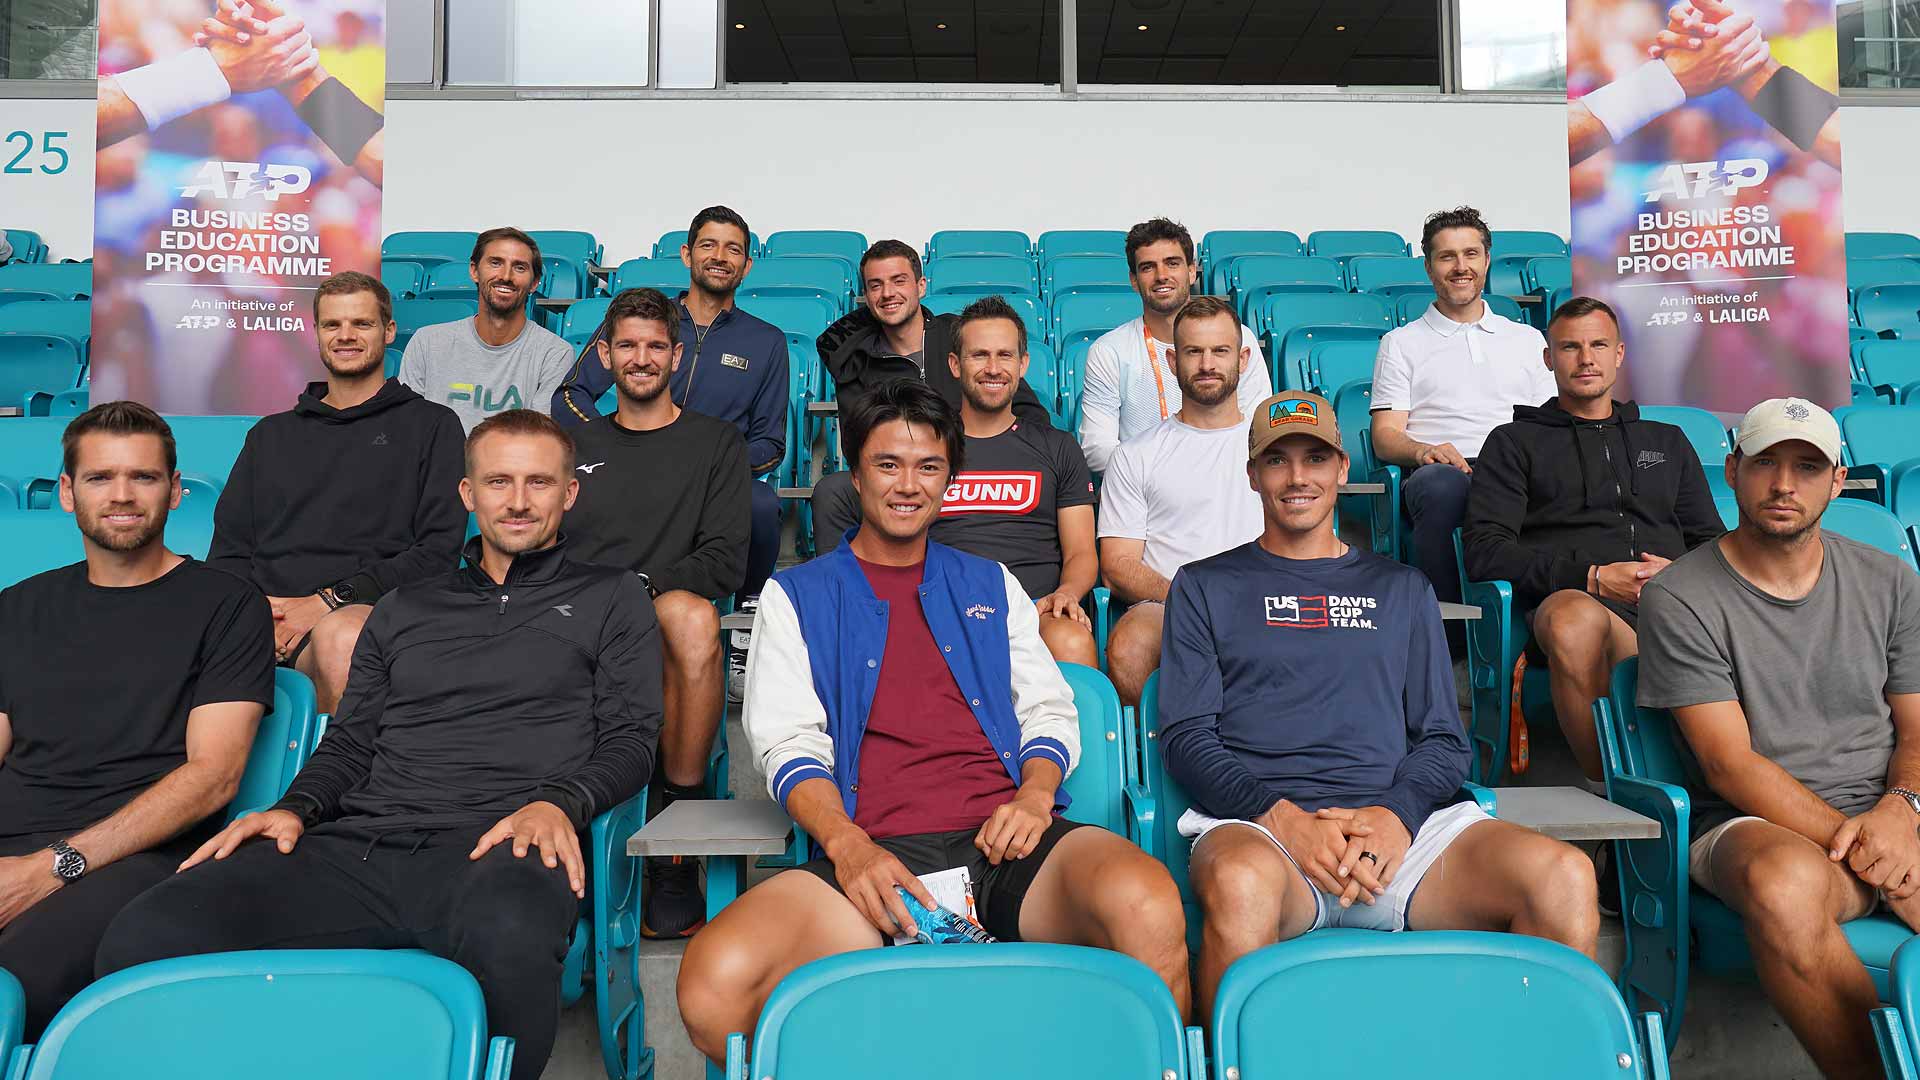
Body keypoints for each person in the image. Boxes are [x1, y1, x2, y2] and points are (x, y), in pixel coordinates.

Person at [98, 409, 660, 1080]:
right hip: (362, 848)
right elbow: (352, 740)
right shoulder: (406, 608)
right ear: (467, 494)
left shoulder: (613, 597)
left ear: (568, 494)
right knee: (148, 931)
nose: (516, 501)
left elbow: (632, 739)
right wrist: (297, 807)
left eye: (538, 483)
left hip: (502, 845)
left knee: (511, 934)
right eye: (498, 481)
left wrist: (560, 803)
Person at [676, 380, 1188, 1063]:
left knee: (1149, 905)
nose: (908, 485)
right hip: (875, 856)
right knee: (713, 985)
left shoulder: (989, 582)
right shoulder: (796, 595)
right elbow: (786, 742)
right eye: (888, 465)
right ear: (855, 476)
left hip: (1006, 846)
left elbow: (1047, 707)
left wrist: (1036, 796)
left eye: (929, 467)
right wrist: (849, 846)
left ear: (950, 478)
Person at [1162, 390, 1599, 1019]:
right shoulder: (1203, 586)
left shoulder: (1401, 588)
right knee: (1238, 884)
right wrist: (1281, 818)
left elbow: (1444, 740)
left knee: (1564, 877)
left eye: (1315, 458)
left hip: (1403, 833)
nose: (1297, 477)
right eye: (1277, 460)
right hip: (1266, 832)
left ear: (1342, 469)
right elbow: (1187, 738)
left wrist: (1396, 816)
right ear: (1253, 474)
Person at [1636, 397, 1920, 1080]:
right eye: (1766, 463)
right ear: (1732, 470)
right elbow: (1727, 764)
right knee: (1783, 886)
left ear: (1838, 478)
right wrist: (1876, 854)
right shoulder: (1679, 595)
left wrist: (1902, 809)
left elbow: (1915, 727)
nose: (1784, 485)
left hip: (1889, 814)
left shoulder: (1891, 580)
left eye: (1806, 467)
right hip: (1753, 823)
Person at [0, 402, 273, 1037]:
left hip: (131, 857)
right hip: (15, 839)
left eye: (144, 477)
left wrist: (50, 867)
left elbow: (213, 777)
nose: (122, 495)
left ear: (176, 491)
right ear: (67, 493)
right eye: (99, 477)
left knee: (18, 978)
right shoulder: (19, 606)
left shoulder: (228, 605)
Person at [1463, 297, 1724, 783]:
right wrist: (1593, 578)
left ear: (1620, 353)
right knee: (1572, 617)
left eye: (1599, 345)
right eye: (1570, 347)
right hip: (1575, 604)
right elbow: (1485, 551)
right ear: (1548, 359)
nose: (1586, 358)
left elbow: (1713, 541)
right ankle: (1607, 790)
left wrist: (1675, 579)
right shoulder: (1513, 442)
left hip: (1671, 607)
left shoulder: (1666, 440)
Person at [564, 287, 749, 939]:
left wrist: (639, 588)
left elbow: (726, 559)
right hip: (578, 622)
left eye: (654, 347)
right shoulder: (574, 443)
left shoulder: (716, 444)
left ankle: (678, 833)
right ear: (606, 356)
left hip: (662, 618)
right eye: (627, 347)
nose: (641, 359)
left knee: (690, 616)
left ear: (676, 356)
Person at [552, 206, 789, 698]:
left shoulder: (766, 342)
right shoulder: (644, 322)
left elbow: (770, 442)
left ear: (747, 265)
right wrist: (616, 446)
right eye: (708, 245)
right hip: (629, 458)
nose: (719, 257)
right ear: (686, 254)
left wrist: (707, 465)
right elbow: (570, 396)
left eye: (733, 249)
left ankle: (746, 619)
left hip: (716, 475)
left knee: (762, 503)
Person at [209, 271, 466, 714]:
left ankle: (327, 784)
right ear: (317, 335)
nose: (345, 336)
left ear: (388, 332)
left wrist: (328, 602)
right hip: (267, 618)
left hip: (363, 614)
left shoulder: (433, 426)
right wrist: (259, 618)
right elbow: (230, 552)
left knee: (342, 639)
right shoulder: (269, 435)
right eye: (332, 325)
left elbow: (437, 553)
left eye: (361, 324)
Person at [1369, 207, 1556, 638]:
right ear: (1428, 266)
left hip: (1515, 465)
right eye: (1447, 256)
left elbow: (1548, 422)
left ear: (1487, 260)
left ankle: (1536, 636)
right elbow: (1384, 436)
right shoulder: (1401, 343)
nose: (1460, 267)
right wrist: (1423, 451)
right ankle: (1451, 647)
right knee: (1440, 487)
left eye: (1470, 254)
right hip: (1444, 468)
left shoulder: (1526, 339)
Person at [809, 239, 1052, 542]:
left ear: (921, 286)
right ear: (866, 296)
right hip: (903, 478)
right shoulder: (857, 359)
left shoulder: (959, 336)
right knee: (832, 491)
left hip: (976, 467)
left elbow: (1031, 416)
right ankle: (839, 588)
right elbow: (857, 444)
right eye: (875, 285)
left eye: (899, 281)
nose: (887, 294)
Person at [1098, 296, 1264, 706]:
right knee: (1131, 644)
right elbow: (1117, 565)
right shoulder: (1135, 454)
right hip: (1173, 604)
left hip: (1265, 598)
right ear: (1173, 362)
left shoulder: (1272, 451)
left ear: (1242, 359)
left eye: (1220, 351)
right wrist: (1189, 599)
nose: (1207, 364)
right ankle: (1164, 755)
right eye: (1194, 352)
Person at [931, 296, 1099, 668]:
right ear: (955, 365)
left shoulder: (1058, 447)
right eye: (980, 355)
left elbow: (1081, 552)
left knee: (1071, 639)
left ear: (1022, 364)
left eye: (1005, 355)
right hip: (941, 608)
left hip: (1034, 609)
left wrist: (1067, 593)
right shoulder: (926, 447)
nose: (993, 368)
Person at [1078, 217, 1272, 473]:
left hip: (1228, 479)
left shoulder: (1239, 338)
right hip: (1146, 490)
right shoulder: (1109, 351)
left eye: (1172, 263)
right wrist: (1167, 477)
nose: (1162, 276)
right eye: (1148, 267)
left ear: (1192, 271)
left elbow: (1257, 428)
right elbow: (1097, 448)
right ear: (1134, 280)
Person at [399, 227, 574, 432]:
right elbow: (409, 429)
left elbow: (537, 439)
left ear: (534, 282)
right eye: (495, 263)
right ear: (474, 271)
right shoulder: (427, 342)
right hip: (437, 464)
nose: (506, 276)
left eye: (519, 267)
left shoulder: (555, 354)